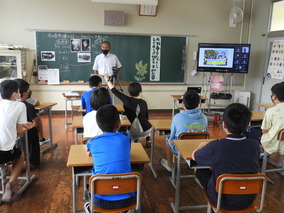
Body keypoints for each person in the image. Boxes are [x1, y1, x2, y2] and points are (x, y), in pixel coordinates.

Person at [192, 103, 260, 211]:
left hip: (221, 200)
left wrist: (200, 146)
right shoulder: (255, 145)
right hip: (248, 198)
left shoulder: (217, 146)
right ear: (247, 125)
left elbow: (195, 156)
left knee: (199, 170)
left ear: (224, 125)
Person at [85, 104, 134, 209]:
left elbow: (88, 148)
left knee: (87, 185)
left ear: (99, 125)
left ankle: (89, 206)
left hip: (100, 201)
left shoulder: (92, 142)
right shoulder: (126, 138)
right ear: (118, 125)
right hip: (127, 200)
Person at [0, 80, 34, 203]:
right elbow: (19, 131)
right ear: (15, 94)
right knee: (20, 156)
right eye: (19, 91)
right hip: (4, 152)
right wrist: (26, 127)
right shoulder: (20, 105)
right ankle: (11, 183)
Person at [160, 90, 208, 172]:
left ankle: (170, 165)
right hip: (198, 148)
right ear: (198, 104)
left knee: (167, 140)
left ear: (183, 103)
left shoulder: (177, 117)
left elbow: (172, 136)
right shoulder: (204, 118)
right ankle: (196, 166)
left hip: (180, 149)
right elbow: (205, 135)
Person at [104, 74, 152, 147]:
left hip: (132, 132)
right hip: (146, 131)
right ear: (140, 91)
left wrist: (107, 79)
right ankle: (148, 140)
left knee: (122, 125)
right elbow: (147, 117)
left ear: (129, 91)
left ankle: (134, 140)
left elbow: (114, 90)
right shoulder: (143, 102)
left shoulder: (126, 100)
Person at [14, 79, 41, 168]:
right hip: (29, 137)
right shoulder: (28, 106)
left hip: (17, 138)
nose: (29, 91)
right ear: (24, 92)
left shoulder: (10, 106)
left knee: (21, 156)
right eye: (28, 89)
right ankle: (7, 169)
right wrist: (41, 136)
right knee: (33, 163)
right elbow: (36, 121)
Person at [261, 82, 284, 154]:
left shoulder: (271, 111)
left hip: (276, 145)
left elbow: (264, 131)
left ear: (274, 97)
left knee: (251, 131)